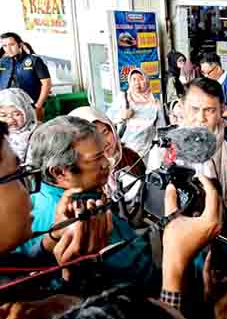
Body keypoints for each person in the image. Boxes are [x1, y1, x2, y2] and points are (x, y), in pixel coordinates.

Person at [20, 116, 154, 289]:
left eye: (104, 153)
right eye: (97, 158)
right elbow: (134, 272)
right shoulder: (76, 215)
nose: (106, 163)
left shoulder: (41, 197)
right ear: (60, 172)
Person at [148, 78, 227, 211]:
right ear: (182, 107)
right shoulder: (163, 143)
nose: (201, 118)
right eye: (194, 109)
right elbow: (154, 194)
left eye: (209, 110)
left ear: (222, 109)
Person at [108, 68, 167, 156]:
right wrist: (121, 116)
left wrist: (161, 151)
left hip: (147, 150)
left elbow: (161, 127)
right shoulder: (123, 98)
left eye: (141, 79)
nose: (137, 82)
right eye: (134, 79)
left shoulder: (155, 103)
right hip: (126, 149)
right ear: (129, 82)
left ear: (146, 81)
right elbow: (108, 118)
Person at [0, 32, 51, 122]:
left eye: (12, 44)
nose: (8, 48)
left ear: (20, 45)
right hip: (7, 109)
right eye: (5, 46)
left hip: (31, 107)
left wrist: (38, 106)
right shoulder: (2, 62)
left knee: (35, 129)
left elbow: (46, 84)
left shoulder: (34, 60)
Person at [200, 52, 227, 126]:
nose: (206, 76)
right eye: (203, 73)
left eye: (208, 73)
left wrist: (214, 113)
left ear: (218, 68)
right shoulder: (212, 82)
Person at [0, 88, 36, 161]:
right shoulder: (1, 136)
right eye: (3, 115)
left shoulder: (40, 134)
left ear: (27, 112)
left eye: (17, 114)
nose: (10, 120)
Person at [166, 50, 187, 124]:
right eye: (180, 61)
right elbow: (172, 96)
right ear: (174, 62)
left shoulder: (176, 73)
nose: (182, 62)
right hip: (177, 110)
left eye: (183, 60)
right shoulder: (172, 77)